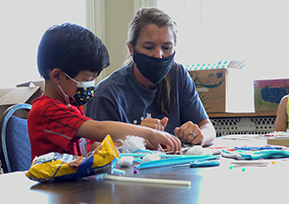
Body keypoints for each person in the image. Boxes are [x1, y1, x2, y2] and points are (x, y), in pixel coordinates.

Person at [28, 23, 181, 160]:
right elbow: (99, 129)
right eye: (87, 79)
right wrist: (149, 133)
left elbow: (92, 149)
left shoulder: (72, 107)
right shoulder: (46, 111)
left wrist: (136, 145)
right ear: (57, 76)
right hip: (56, 189)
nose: (90, 86)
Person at [85, 7, 216, 147]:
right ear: (131, 48)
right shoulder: (108, 93)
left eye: (166, 48)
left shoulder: (178, 75)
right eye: (149, 47)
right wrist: (138, 141)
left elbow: (208, 128)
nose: (158, 55)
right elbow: (93, 148)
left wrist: (199, 137)